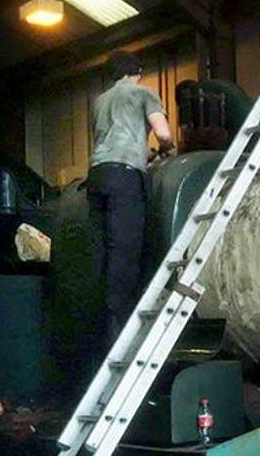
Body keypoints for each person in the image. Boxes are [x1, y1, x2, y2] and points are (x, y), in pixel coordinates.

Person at [88, 51, 175, 343]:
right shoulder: (143, 93)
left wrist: (144, 154)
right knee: (125, 251)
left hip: (97, 176)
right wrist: (167, 147)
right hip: (125, 177)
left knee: (102, 254)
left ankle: (98, 332)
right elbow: (163, 134)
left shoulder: (99, 101)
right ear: (138, 69)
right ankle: (121, 333)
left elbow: (109, 140)